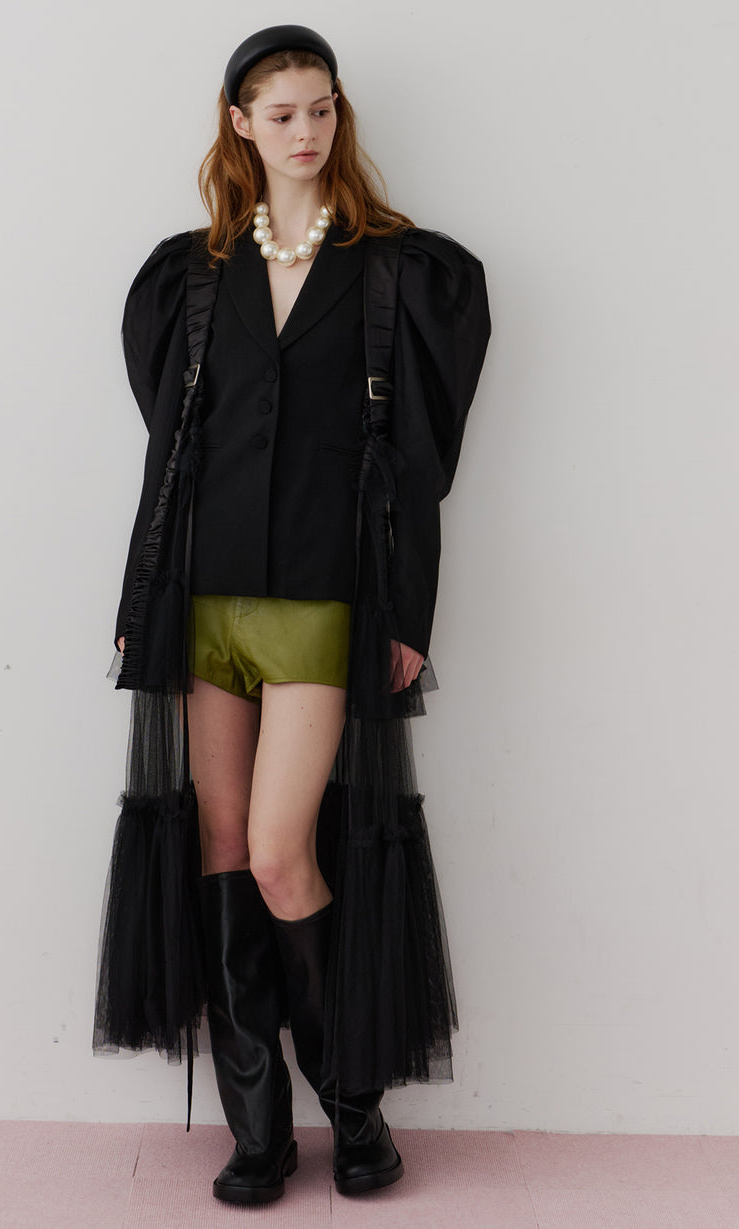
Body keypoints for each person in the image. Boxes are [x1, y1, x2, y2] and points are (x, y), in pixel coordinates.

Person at [94, 25, 490, 1206]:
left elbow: (414, 467)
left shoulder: (400, 272)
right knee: (222, 854)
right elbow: (170, 454)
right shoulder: (187, 275)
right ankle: (258, 1130)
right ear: (240, 124)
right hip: (202, 595)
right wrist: (138, 604)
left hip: (322, 601)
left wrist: (406, 610)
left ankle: (354, 1107)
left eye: (322, 108)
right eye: (282, 114)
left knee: (280, 851)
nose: (307, 131)